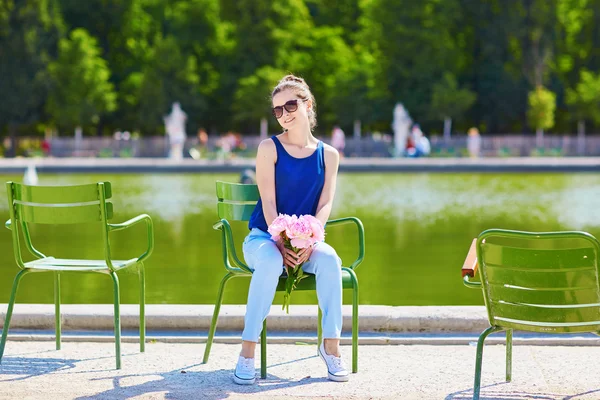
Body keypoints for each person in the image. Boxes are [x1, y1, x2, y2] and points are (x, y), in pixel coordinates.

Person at [234, 74, 348, 385]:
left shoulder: (329, 155)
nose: (284, 114)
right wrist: (280, 240)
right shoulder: (268, 148)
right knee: (271, 261)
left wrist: (311, 240)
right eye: (277, 110)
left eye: (290, 105)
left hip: (307, 242)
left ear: (307, 105)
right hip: (263, 239)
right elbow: (268, 201)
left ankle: (332, 348)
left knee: (331, 260)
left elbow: (325, 204)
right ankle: (247, 351)